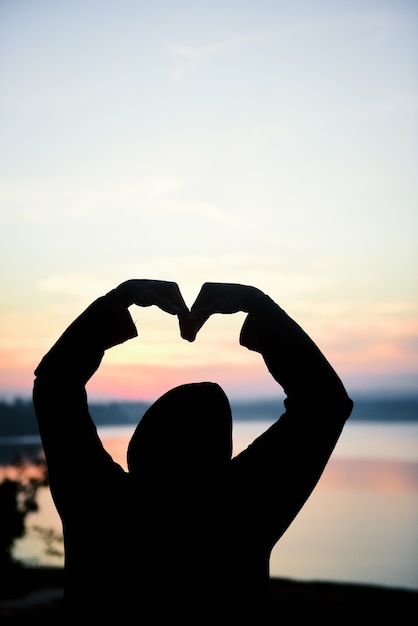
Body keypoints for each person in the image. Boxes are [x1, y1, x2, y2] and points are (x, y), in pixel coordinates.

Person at [33, 279, 353, 623]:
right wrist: (256, 304)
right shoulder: (243, 512)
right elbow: (324, 404)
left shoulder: (96, 502)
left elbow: (56, 386)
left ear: (139, 447)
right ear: (221, 456)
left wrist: (121, 298)